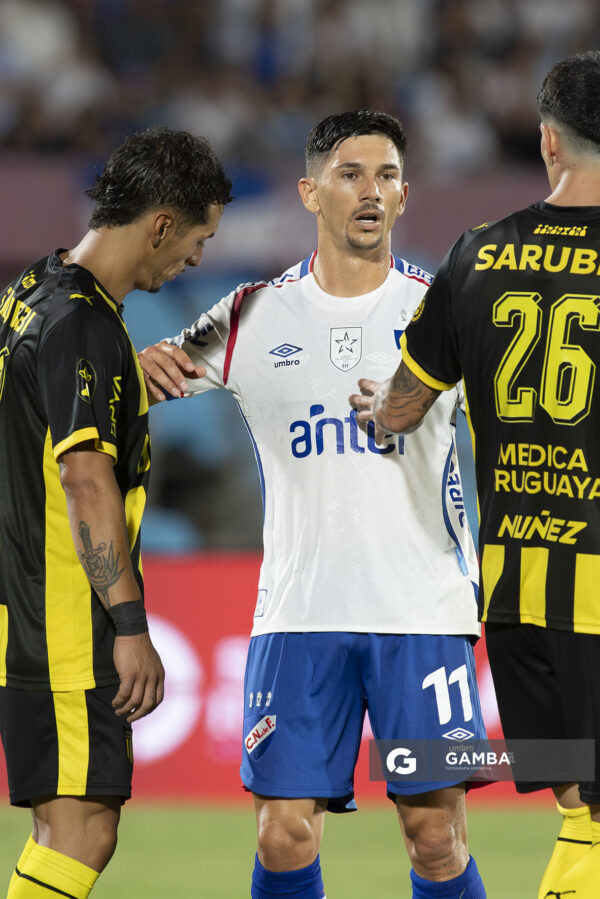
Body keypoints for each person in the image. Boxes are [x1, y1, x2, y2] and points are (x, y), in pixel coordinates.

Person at [139, 110, 487, 899]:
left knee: (436, 836)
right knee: (283, 832)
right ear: (310, 191)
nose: (372, 191)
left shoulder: (448, 313)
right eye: (351, 174)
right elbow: (139, 374)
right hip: (299, 616)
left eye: (388, 175)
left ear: (405, 195)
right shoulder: (252, 314)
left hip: (424, 615)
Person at [351, 51, 600, 899]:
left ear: (547, 143)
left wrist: (373, 403)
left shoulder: (478, 254)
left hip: (518, 588)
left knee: (580, 797)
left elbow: (401, 407)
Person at [0, 126, 232, 898]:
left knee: (65, 826)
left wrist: (124, 376)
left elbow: (32, 408)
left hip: (25, 607)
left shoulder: (35, 292)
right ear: (161, 225)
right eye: (197, 238)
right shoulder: (87, 327)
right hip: (65, 622)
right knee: (84, 828)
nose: (195, 259)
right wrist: (129, 626)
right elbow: (86, 483)